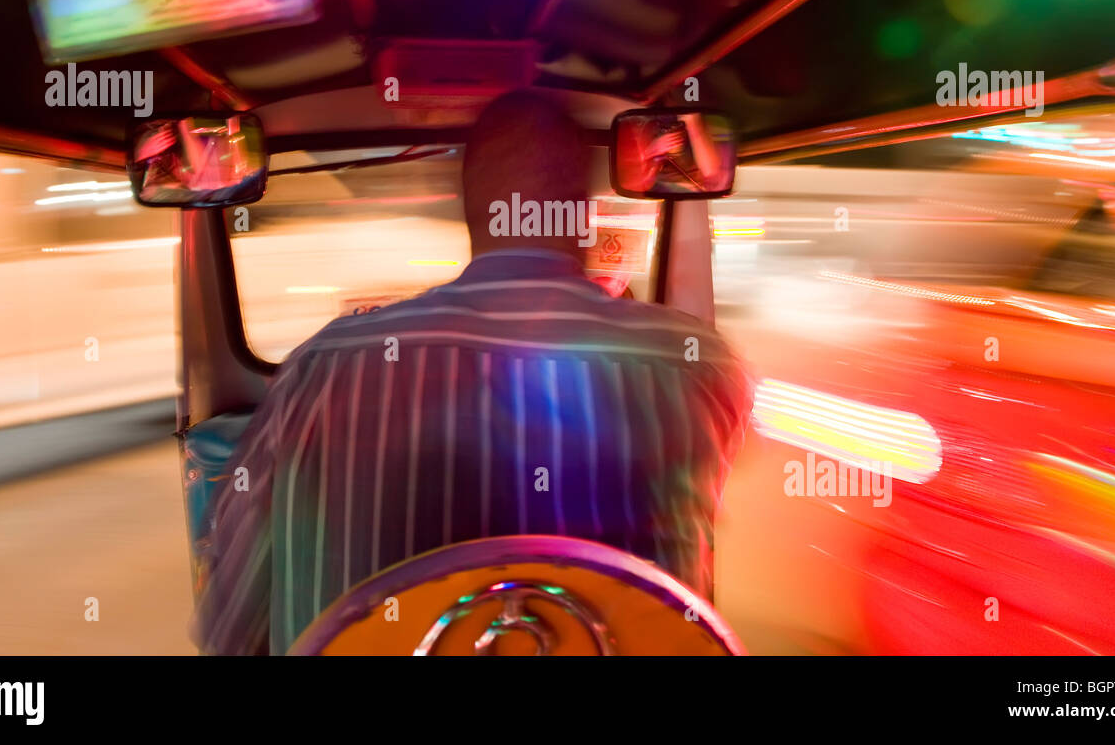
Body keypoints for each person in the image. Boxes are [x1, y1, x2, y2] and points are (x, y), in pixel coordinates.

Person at [193, 91, 754, 655]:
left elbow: (232, 626)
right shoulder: (698, 367)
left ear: (473, 208)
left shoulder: (323, 367)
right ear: (581, 214)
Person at [617, 111, 729, 194]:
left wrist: (651, 149)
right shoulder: (672, 175)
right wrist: (692, 123)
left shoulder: (636, 124)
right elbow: (710, 170)